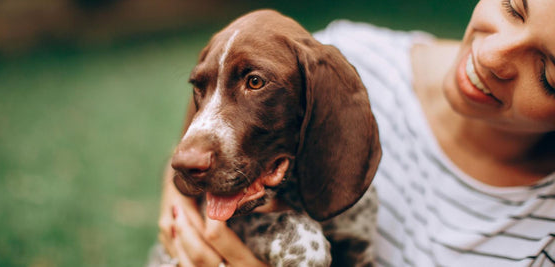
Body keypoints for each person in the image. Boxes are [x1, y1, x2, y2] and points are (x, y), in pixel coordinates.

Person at [157, 0, 555, 266]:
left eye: (547, 72)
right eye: (513, 7)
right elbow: (209, 120)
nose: (490, 57)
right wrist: (178, 205)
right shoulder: (349, 53)